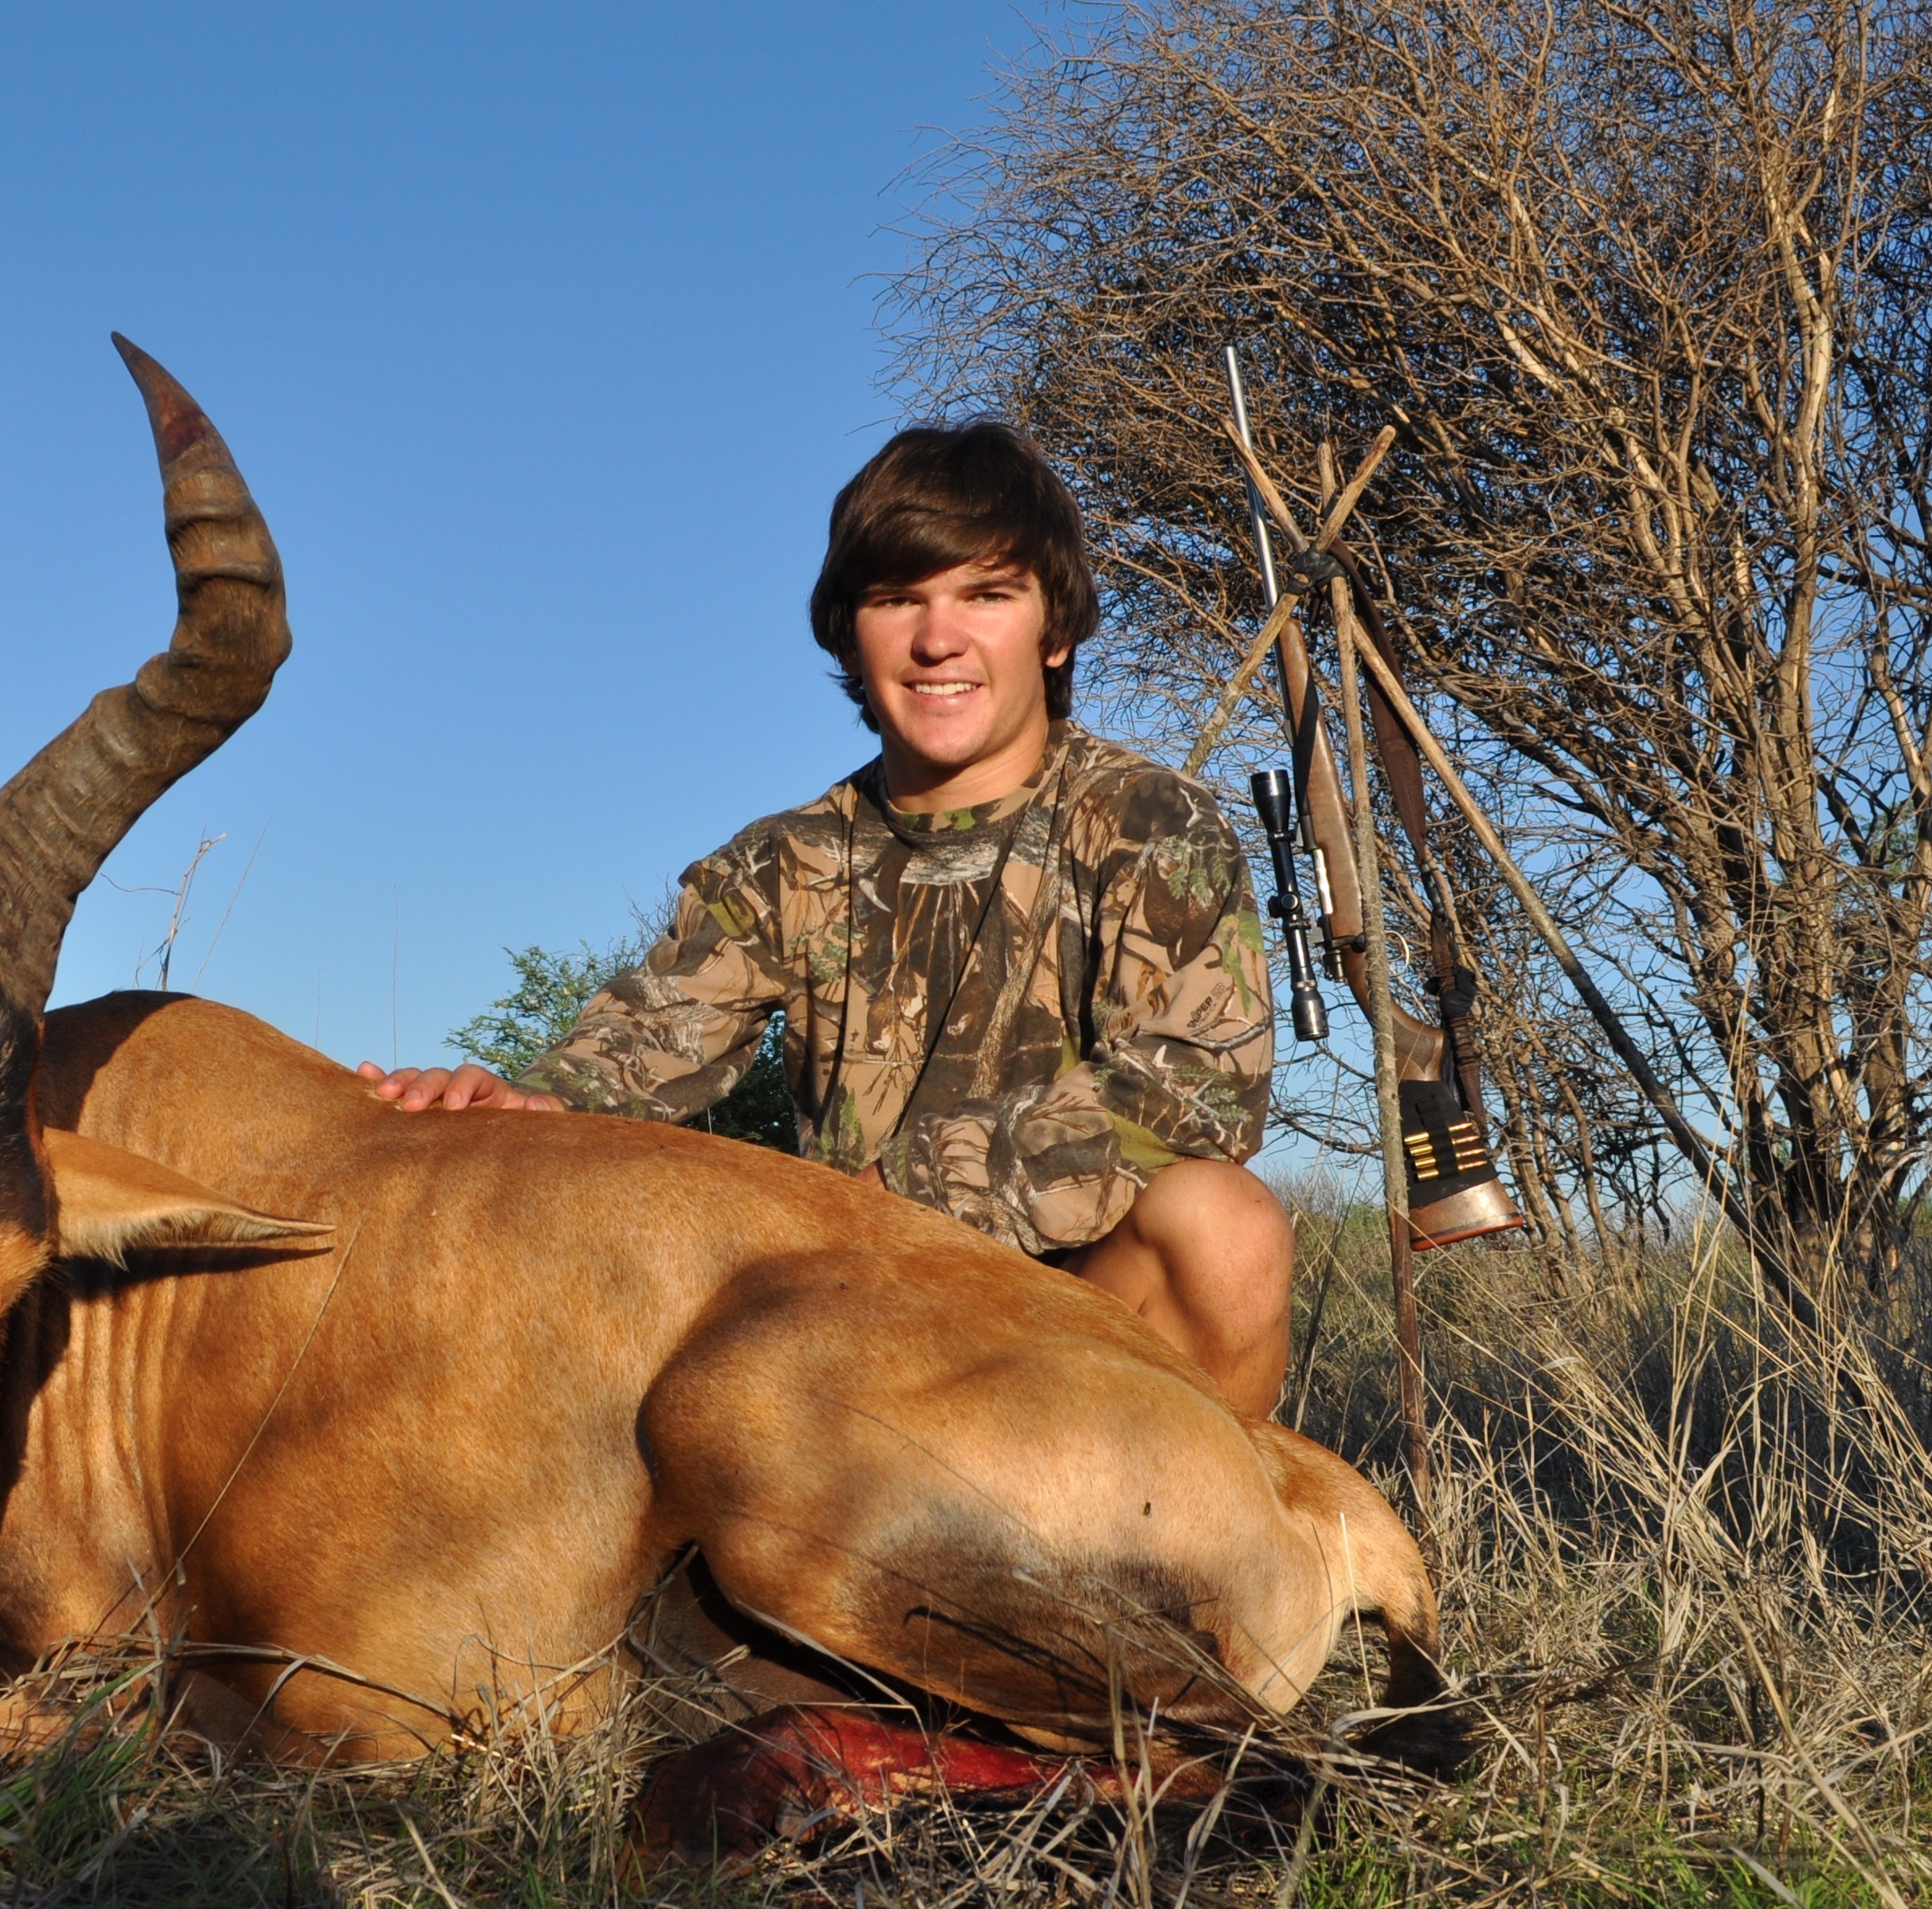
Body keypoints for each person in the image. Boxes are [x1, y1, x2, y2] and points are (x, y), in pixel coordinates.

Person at [358, 422, 1296, 1414]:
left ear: (1053, 630)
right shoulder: (781, 860)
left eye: (987, 594)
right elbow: (646, 1042)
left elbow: (1199, 1093)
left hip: (1077, 1325)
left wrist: (889, 1199)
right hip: (852, 1329)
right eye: (898, 599)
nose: (939, 639)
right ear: (851, 630)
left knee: (1222, 1223)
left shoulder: (1150, 820)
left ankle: (1206, 1555)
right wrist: (526, 1112)